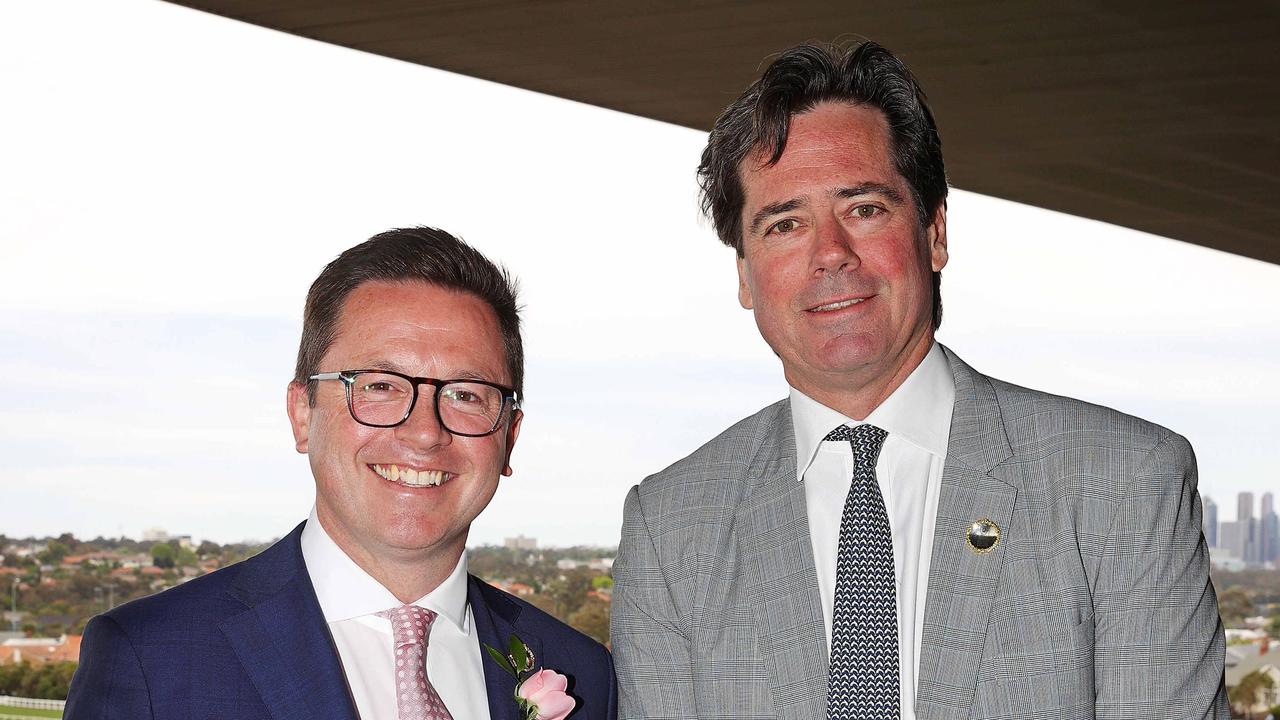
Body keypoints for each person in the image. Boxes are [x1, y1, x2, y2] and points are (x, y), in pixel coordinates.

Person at [610, 41, 1227, 719]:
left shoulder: (1123, 483)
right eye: (785, 224)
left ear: (933, 232)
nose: (830, 255)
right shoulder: (670, 529)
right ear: (745, 276)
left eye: (864, 209)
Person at [67, 227, 617, 720]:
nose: (425, 432)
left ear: (509, 437)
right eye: (380, 386)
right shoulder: (150, 661)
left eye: (467, 394)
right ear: (302, 414)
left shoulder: (582, 674)